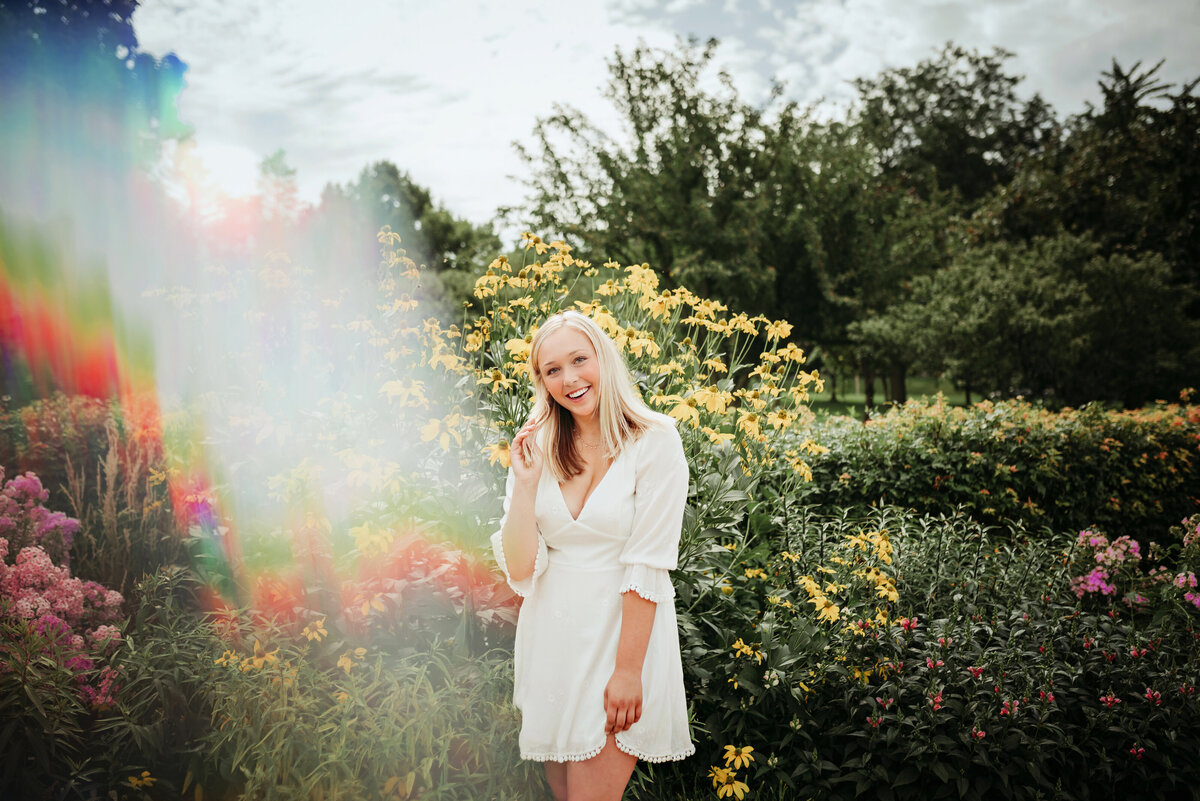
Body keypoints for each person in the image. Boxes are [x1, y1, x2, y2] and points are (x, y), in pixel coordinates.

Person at [490, 309, 695, 801]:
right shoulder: (538, 445)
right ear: (541, 381)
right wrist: (524, 485)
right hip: (553, 641)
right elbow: (521, 568)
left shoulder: (656, 441)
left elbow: (648, 562)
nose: (569, 379)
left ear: (603, 358)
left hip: (620, 642)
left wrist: (627, 672)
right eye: (552, 370)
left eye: (579, 360)